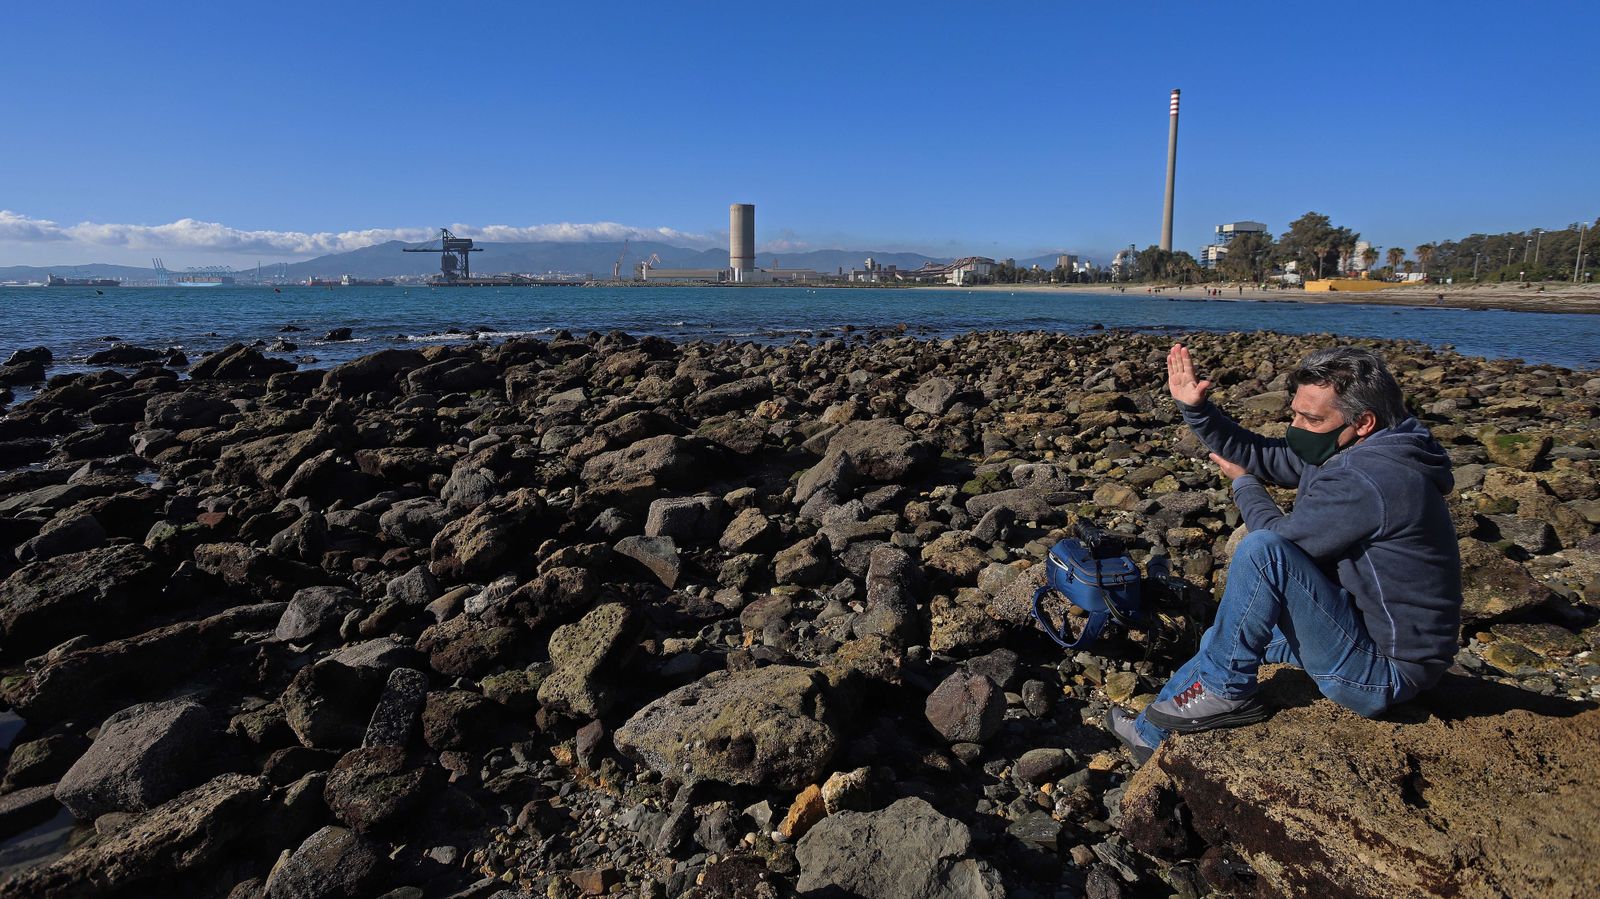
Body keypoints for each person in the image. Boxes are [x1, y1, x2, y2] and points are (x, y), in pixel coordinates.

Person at [1106, 344, 1462, 763]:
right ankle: (1151, 736)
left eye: (1310, 419)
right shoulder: (1352, 445)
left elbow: (1278, 547)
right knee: (1226, 640)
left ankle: (1225, 694)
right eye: (1294, 413)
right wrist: (1197, 410)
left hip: (1383, 672)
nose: (1295, 427)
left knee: (1262, 550)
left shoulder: (1370, 478)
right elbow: (1265, 454)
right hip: (1358, 631)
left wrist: (1245, 485)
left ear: (1363, 422)